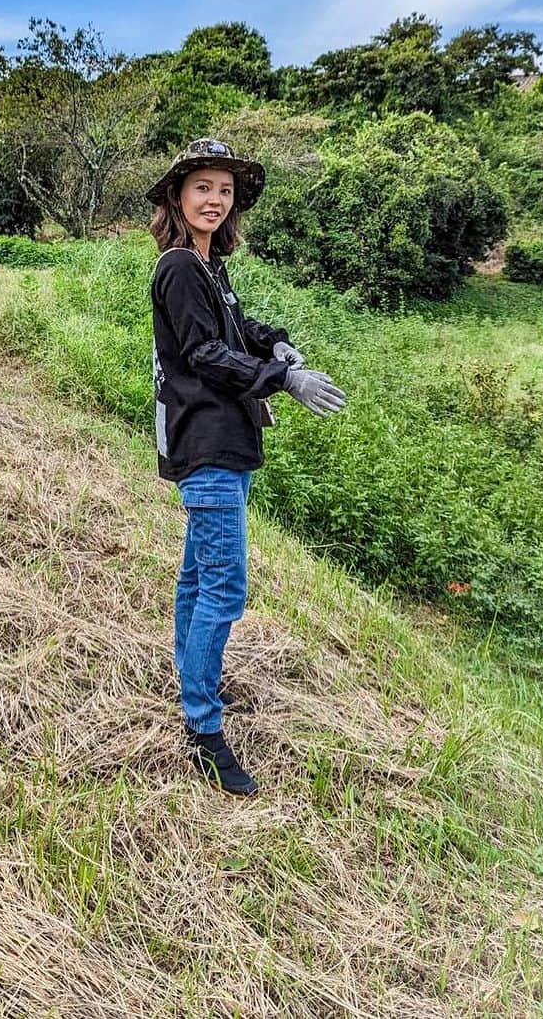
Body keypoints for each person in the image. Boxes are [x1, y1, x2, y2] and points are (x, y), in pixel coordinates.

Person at [147, 138, 346, 797]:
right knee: (225, 591)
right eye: (202, 186)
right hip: (207, 445)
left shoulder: (209, 267)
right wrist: (282, 380)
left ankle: (193, 689)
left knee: (197, 581)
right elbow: (205, 352)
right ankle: (204, 728)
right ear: (178, 196)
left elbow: (234, 326)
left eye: (225, 190)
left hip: (224, 442)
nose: (215, 199)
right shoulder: (178, 267)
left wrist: (274, 342)